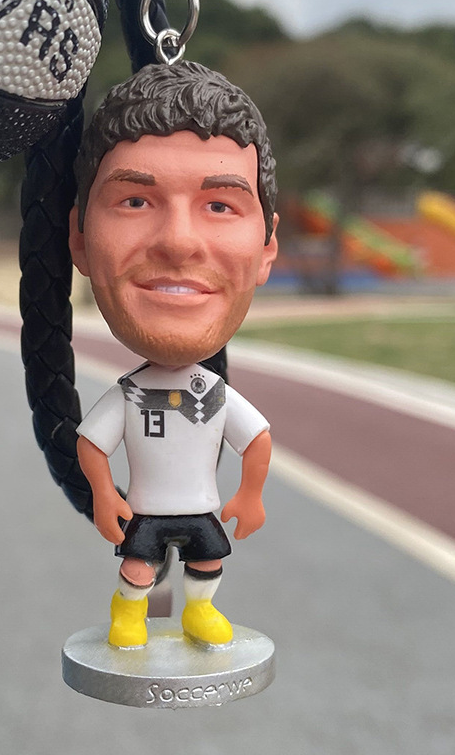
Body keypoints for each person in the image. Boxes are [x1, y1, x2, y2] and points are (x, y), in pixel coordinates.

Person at [69, 61, 279, 648]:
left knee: (207, 563)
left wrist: (250, 494)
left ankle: (197, 612)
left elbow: (257, 440)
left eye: (220, 205)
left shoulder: (213, 392)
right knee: (139, 568)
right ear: (78, 237)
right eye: (136, 201)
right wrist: (104, 493)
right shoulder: (132, 393)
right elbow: (91, 444)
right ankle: (128, 614)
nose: (179, 242)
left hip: (201, 507)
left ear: (268, 247)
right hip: (146, 508)